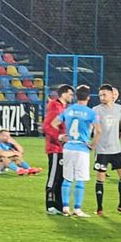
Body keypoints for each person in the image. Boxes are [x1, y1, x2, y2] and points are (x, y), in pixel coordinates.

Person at [51, 85, 98, 217]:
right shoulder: (91, 113)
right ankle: (77, 209)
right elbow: (99, 130)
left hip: (68, 147)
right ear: (88, 97)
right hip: (82, 148)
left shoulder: (68, 110)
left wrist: (61, 137)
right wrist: (93, 145)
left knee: (67, 178)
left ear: (76, 96)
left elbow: (54, 123)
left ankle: (65, 207)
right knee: (80, 179)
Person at [91, 83, 121, 216]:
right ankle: (99, 208)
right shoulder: (96, 110)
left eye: (104, 94)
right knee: (100, 179)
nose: (102, 97)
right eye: (100, 95)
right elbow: (93, 128)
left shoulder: (119, 109)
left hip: (116, 149)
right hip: (102, 150)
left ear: (112, 95)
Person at [42, 84, 73, 214]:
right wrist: (59, 137)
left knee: (60, 177)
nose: (72, 97)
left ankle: (59, 205)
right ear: (64, 94)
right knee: (53, 177)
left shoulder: (62, 107)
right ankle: (50, 204)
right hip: (54, 148)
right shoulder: (55, 106)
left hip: (61, 149)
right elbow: (47, 126)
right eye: (71, 94)